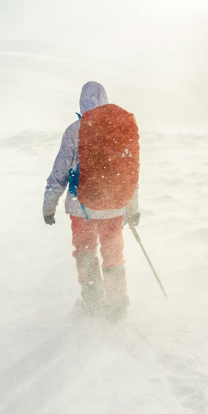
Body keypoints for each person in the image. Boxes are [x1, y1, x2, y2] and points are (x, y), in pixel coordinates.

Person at [43, 81, 140, 319]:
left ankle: (93, 299)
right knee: (113, 254)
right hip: (115, 208)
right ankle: (117, 304)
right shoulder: (119, 129)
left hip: (81, 208)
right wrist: (132, 209)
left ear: (82, 102)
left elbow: (60, 172)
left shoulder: (75, 130)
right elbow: (129, 173)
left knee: (85, 252)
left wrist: (49, 206)